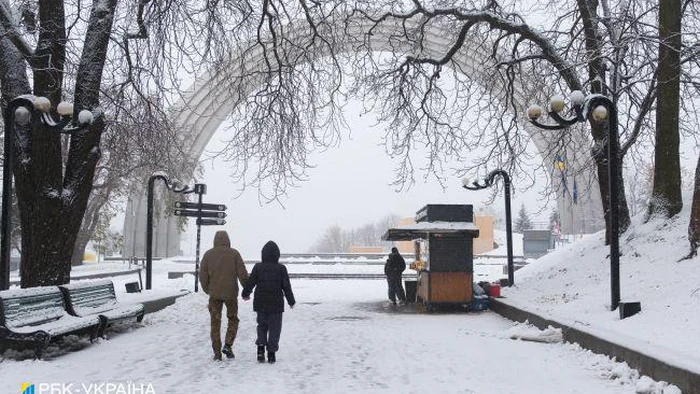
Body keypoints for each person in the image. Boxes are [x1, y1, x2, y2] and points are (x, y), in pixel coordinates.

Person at [241, 240, 295, 364]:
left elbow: (251, 282)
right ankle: (271, 353)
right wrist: (291, 301)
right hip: (276, 305)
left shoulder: (258, 267)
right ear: (277, 254)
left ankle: (260, 348)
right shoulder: (281, 268)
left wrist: (245, 293)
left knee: (262, 326)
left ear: (263, 254)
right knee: (275, 328)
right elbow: (286, 286)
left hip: (261, 303)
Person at [199, 230, 249, 361]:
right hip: (231, 294)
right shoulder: (234, 254)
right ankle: (228, 344)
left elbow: (202, 275)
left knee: (215, 323)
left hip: (214, 294)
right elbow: (242, 273)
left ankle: (217, 352)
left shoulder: (208, 255)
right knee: (233, 318)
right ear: (228, 240)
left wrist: (208, 290)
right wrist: (247, 289)